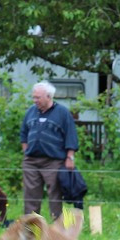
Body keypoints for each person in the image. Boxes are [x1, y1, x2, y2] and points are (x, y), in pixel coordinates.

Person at [19, 81, 79, 220]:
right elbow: (23, 133)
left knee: (57, 196)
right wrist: (26, 152)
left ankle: (63, 231)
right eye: (33, 97)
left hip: (54, 161)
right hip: (31, 161)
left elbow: (71, 135)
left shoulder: (62, 113)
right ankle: (33, 233)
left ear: (48, 96)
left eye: (38, 97)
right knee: (30, 197)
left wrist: (70, 157)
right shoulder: (30, 112)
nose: (35, 100)